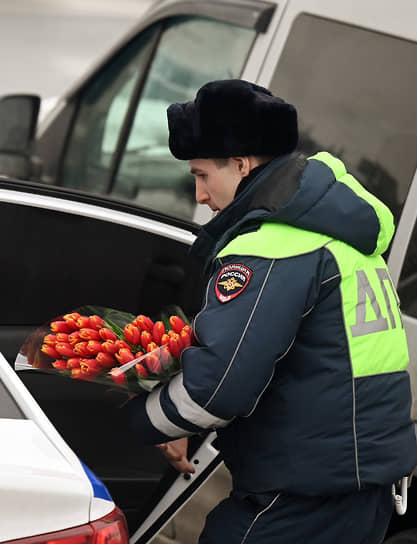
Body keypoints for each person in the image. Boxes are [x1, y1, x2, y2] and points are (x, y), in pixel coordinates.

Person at [128, 79, 417, 543]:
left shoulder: (272, 248)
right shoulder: (341, 234)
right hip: (366, 490)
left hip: (302, 499)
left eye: (202, 175)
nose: (199, 195)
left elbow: (218, 387)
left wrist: (140, 417)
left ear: (241, 165)